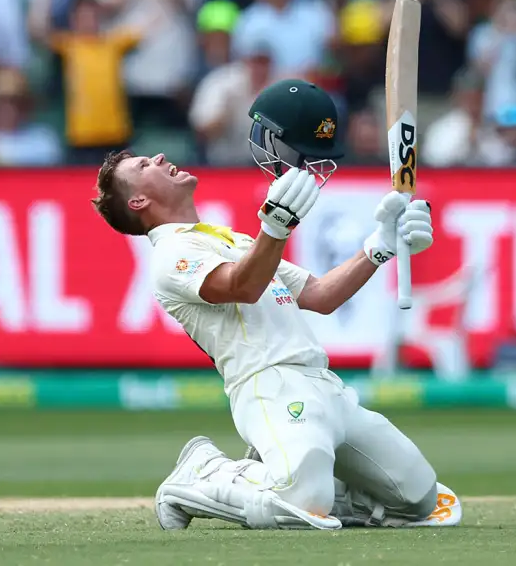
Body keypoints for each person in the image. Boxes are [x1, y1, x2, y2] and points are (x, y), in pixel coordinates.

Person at [91, 79, 462, 530]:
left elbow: (322, 296)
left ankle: (336, 495)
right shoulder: (170, 255)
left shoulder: (232, 239)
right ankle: (203, 472)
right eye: (146, 164)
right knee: (302, 500)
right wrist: (277, 227)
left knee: (420, 497)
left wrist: (381, 245)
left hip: (324, 384)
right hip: (268, 386)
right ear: (138, 201)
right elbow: (242, 287)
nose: (162, 158)